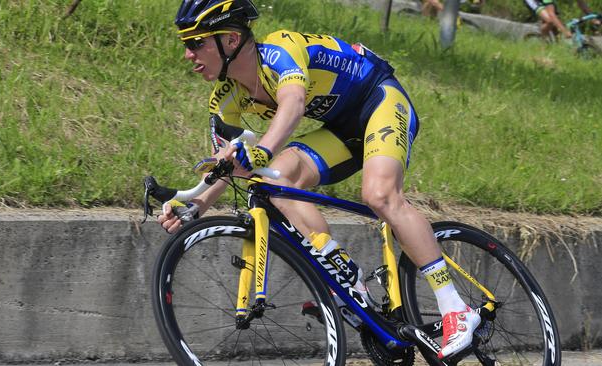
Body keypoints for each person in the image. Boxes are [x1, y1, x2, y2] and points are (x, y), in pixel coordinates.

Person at [158, 0, 480, 359]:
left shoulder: (280, 50)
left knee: (380, 195)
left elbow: (293, 103)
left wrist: (261, 150)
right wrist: (197, 203)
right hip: (341, 129)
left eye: (195, 43)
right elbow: (229, 166)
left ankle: (455, 309)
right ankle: (346, 277)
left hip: (379, 99)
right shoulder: (224, 98)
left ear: (231, 40)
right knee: (273, 183)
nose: (188, 54)